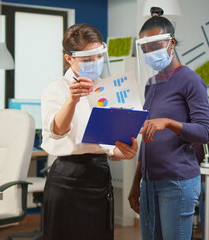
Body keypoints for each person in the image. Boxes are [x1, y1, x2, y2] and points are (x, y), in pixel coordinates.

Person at [40, 23, 138, 240]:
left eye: (98, 56)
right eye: (87, 59)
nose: (94, 63)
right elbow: (57, 130)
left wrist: (123, 152)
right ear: (69, 59)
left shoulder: (107, 89)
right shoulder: (56, 89)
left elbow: (109, 146)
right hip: (67, 177)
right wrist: (72, 100)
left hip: (99, 176)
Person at [128, 7, 209, 240]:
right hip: (150, 182)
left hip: (177, 182)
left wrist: (168, 122)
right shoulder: (151, 83)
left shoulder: (190, 80)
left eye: (155, 47)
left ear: (171, 43)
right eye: (146, 49)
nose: (150, 53)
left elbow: (205, 132)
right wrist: (137, 182)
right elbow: (147, 138)